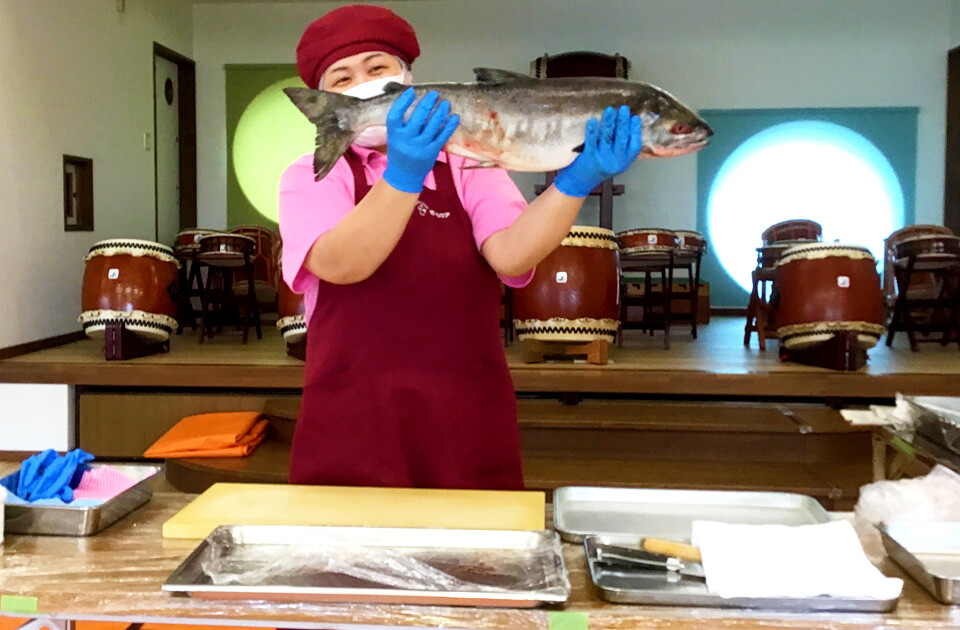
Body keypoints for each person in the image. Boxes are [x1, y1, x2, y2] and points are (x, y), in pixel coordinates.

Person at [279, 4, 643, 490]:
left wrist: (577, 179)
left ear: (409, 81)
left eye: (378, 68)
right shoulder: (313, 174)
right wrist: (404, 173)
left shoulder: (469, 162)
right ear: (326, 99)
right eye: (342, 78)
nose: (362, 83)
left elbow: (511, 255)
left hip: (463, 414)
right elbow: (341, 264)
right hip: (356, 415)